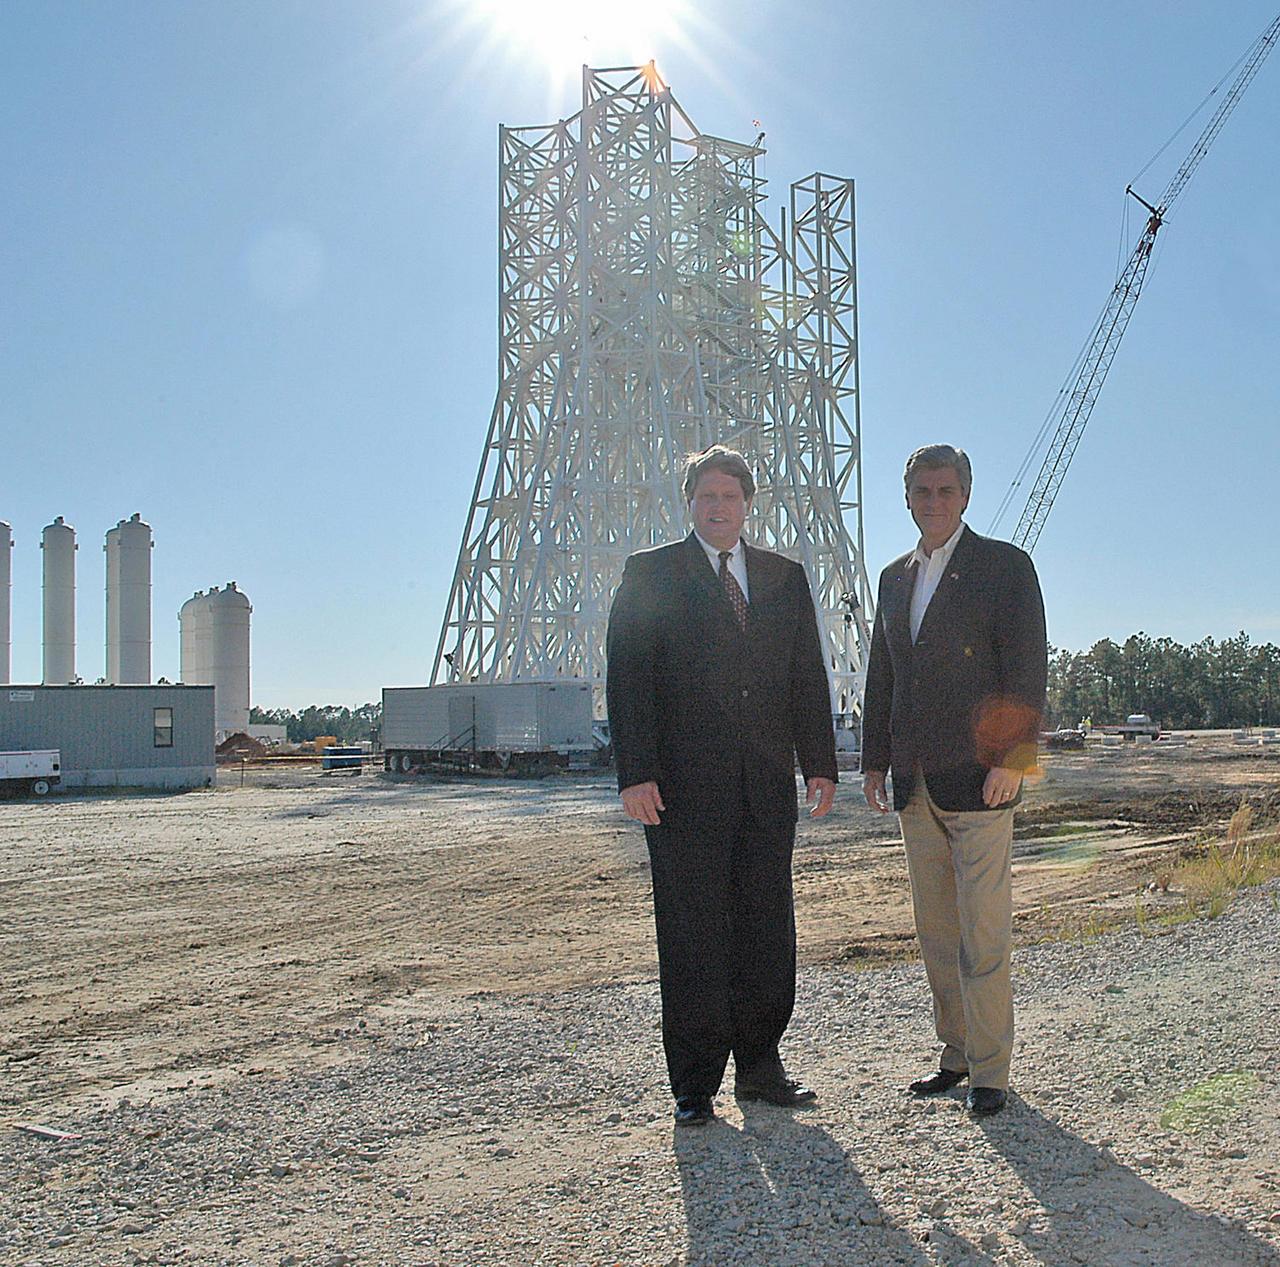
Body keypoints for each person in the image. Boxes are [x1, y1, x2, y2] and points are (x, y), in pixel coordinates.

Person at [606, 445, 838, 1126]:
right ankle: (696, 1081)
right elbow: (628, 679)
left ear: (747, 504)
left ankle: (762, 1067)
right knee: (693, 930)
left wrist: (818, 763)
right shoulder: (650, 575)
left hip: (765, 786)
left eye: (730, 497)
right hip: (680, 792)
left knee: (768, 926)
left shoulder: (783, 578)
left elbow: (806, 677)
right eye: (706, 496)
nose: (718, 507)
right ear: (690, 503)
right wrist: (634, 772)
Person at [861, 444, 1046, 1116]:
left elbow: (1027, 667)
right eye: (921, 491)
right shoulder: (893, 579)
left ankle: (991, 1071)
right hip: (915, 784)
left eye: (944, 489)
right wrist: (874, 760)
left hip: (981, 782)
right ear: (906, 497)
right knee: (937, 931)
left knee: (984, 931)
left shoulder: (1004, 568)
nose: (933, 501)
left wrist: (1015, 761)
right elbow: (885, 676)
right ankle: (956, 1054)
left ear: (966, 494)